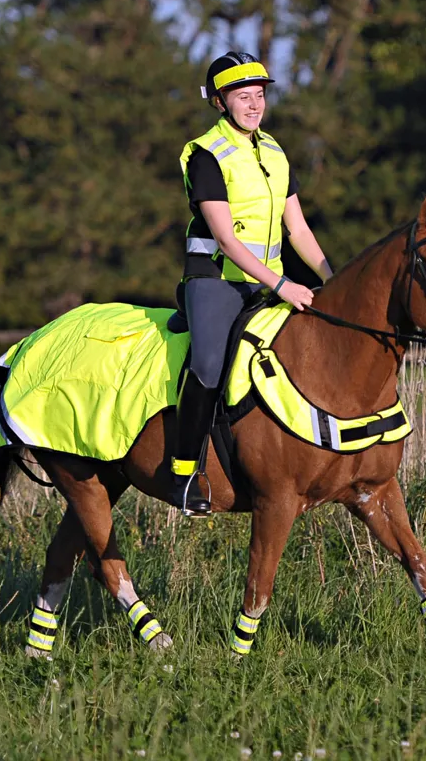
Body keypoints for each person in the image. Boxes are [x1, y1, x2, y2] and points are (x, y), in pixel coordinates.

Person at [171, 51, 334, 516]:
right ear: (220, 102)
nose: (254, 104)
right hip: (215, 282)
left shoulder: (276, 152)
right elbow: (224, 237)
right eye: (243, 96)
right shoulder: (205, 154)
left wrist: (331, 279)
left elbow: (298, 230)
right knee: (206, 365)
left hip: (264, 285)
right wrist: (282, 285)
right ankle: (185, 474)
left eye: (259, 95)